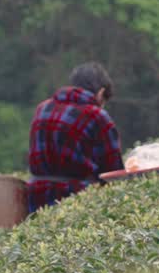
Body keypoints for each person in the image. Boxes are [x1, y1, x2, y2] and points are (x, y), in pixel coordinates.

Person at [26, 62, 124, 213]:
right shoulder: (97, 116)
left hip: (35, 199)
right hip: (75, 201)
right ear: (100, 93)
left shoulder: (43, 108)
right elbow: (113, 173)